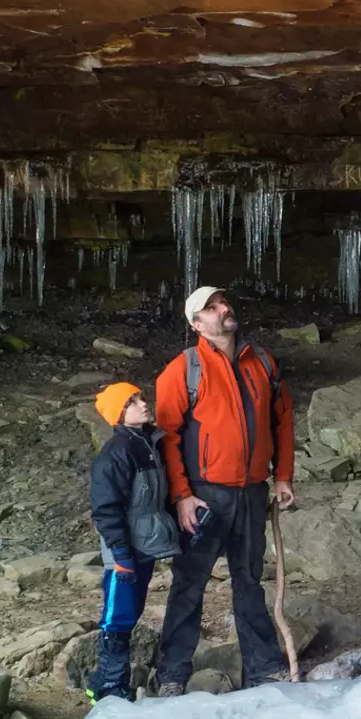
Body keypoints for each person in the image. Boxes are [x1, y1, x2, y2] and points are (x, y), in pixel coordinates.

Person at [151, 285, 297, 694]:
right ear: (196, 324)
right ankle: (173, 672)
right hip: (203, 495)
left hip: (251, 491)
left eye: (223, 303)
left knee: (249, 579)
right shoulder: (183, 370)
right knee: (189, 583)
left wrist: (282, 475)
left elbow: (282, 420)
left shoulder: (262, 362)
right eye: (211, 308)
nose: (223, 309)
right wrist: (181, 496)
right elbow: (168, 437)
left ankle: (264, 667)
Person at [86, 382, 164, 702]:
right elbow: (105, 509)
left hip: (142, 544)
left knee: (130, 612)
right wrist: (120, 553)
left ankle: (106, 680)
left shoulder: (147, 443)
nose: (143, 404)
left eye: (141, 398)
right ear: (120, 414)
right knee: (117, 616)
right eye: (132, 402)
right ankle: (109, 687)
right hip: (124, 549)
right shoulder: (116, 452)